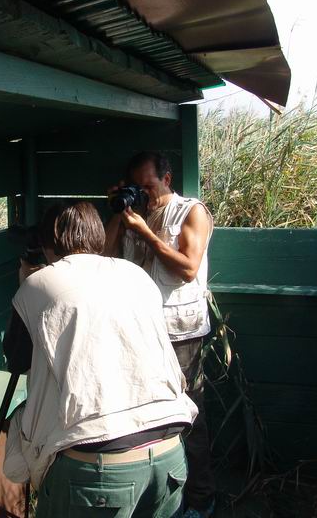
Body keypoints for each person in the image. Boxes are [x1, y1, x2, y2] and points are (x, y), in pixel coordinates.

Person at [2, 201, 197, 517]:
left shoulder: (38, 285)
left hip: (99, 470)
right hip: (170, 449)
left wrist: (25, 281)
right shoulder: (134, 274)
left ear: (49, 242)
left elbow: (17, 359)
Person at [104, 152, 216, 518]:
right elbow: (104, 256)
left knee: (189, 419)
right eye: (139, 188)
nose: (146, 195)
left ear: (167, 178)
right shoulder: (133, 215)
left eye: (150, 187)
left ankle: (200, 501)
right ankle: (161, 501)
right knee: (148, 420)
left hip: (180, 335)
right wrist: (119, 217)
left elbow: (188, 268)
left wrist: (147, 234)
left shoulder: (190, 212)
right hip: (139, 332)